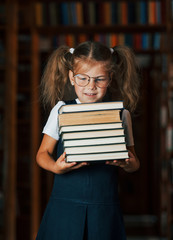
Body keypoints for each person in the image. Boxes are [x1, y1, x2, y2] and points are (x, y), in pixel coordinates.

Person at [36, 41, 140, 240]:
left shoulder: (121, 113)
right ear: (71, 78)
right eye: (83, 78)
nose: (91, 86)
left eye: (99, 79)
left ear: (109, 79)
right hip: (65, 206)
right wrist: (56, 167)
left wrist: (127, 163)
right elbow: (42, 154)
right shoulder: (60, 110)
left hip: (105, 208)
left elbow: (134, 163)